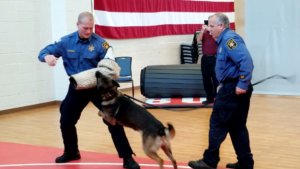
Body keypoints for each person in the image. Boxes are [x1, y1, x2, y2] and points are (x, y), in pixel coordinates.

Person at [38, 11, 140, 169]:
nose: (88, 31)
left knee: (113, 121)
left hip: (97, 88)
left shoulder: (101, 43)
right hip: (77, 87)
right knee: (66, 120)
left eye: (91, 28)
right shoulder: (66, 42)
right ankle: (72, 152)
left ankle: (127, 158)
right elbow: (43, 52)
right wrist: (47, 57)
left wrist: (110, 70)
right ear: (77, 25)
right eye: (85, 28)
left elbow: (110, 61)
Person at [188, 13, 254, 169]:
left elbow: (246, 61)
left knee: (217, 123)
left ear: (221, 26)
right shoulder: (223, 40)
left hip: (233, 89)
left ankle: (209, 162)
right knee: (237, 127)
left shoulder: (230, 40)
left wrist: (242, 84)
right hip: (230, 86)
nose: (208, 29)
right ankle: (246, 163)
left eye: (211, 26)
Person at [197, 20, 219, 105]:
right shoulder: (204, 32)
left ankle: (217, 98)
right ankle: (209, 98)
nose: (209, 26)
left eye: (211, 25)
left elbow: (217, 40)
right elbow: (198, 40)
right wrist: (202, 30)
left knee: (216, 79)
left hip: (215, 58)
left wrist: (210, 31)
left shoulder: (215, 32)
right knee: (206, 80)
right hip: (205, 58)